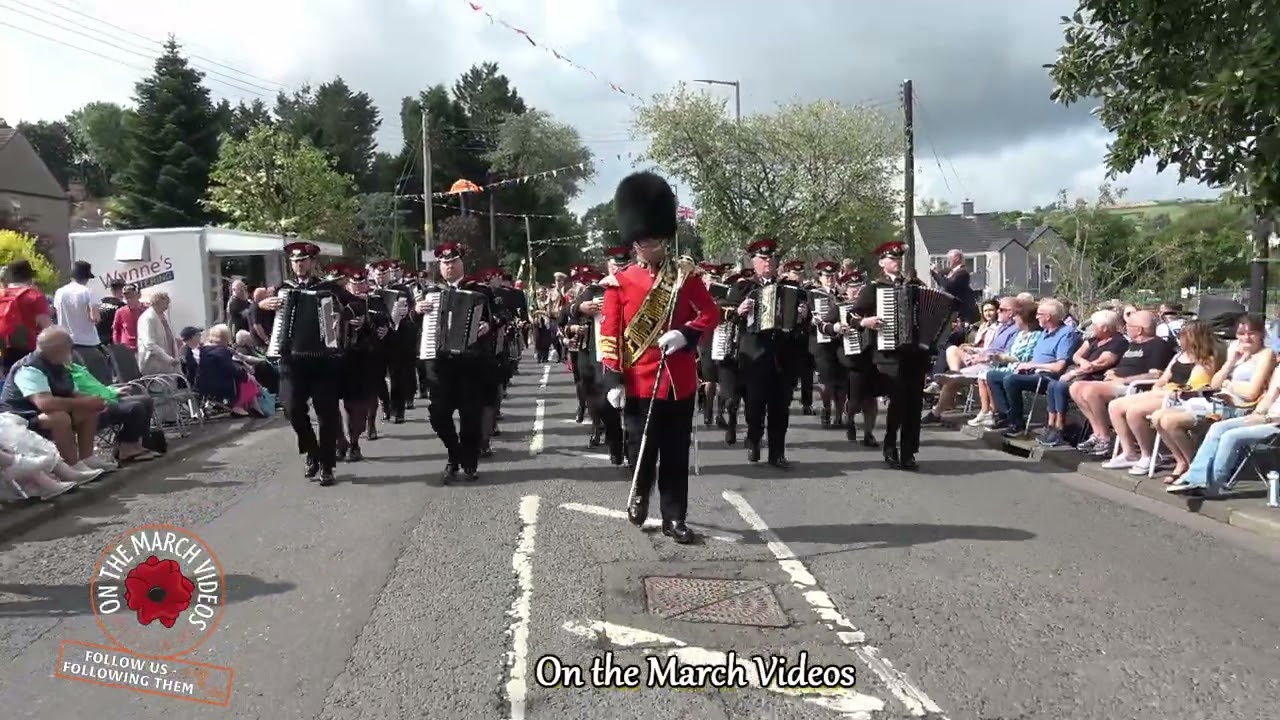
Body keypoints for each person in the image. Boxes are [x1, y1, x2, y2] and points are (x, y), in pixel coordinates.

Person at [598, 170, 719, 544]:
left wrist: (686, 334)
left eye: (652, 241)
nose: (646, 248)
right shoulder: (620, 283)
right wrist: (613, 379)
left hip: (678, 380)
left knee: (675, 453)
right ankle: (639, 492)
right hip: (638, 381)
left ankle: (674, 517)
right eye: (641, 242)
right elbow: (611, 335)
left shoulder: (685, 276)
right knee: (641, 448)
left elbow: (710, 313)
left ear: (664, 238)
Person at [256, 241, 356, 486]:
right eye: (295, 261)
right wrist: (260, 306)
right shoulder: (283, 289)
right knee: (292, 409)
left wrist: (341, 314)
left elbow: (356, 305)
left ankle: (327, 465)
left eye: (303, 261)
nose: (299, 265)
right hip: (291, 360)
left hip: (323, 361)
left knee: (327, 414)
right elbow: (256, 316)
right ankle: (313, 451)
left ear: (312, 262)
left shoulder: (328, 288)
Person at [0, 327, 153, 470]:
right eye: (69, 348)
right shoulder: (29, 368)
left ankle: (87, 458)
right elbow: (44, 402)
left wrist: (94, 400)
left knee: (88, 409)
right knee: (60, 418)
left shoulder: (58, 364)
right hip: (20, 417)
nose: (71, 352)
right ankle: (73, 465)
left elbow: (72, 392)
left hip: (43, 413)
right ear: (59, 350)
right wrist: (83, 402)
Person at [413, 242, 501, 483]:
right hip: (440, 364)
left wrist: (488, 325)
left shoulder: (480, 291)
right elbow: (413, 323)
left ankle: (469, 461)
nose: (449, 267)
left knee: (470, 417)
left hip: (472, 363)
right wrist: (416, 310)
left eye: (453, 262)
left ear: (462, 263)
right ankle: (455, 453)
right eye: (444, 263)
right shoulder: (431, 291)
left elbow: (501, 316)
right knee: (438, 414)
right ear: (439, 266)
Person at [848, 241, 932, 470]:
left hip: (915, 354)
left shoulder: (915, 285)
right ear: (882, 262)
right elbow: (852, 316)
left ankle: (909, 452)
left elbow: (928, 312)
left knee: (914, 404)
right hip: (889, 355)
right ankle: (890, 446)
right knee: (898, 402)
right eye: (892, 259)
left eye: (899, 258)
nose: (897, 262)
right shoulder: (875, 288)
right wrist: (865, 322)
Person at [731, 237, 809, 468]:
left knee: (780, 406)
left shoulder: (792, 288)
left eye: (771, 258)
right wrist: (739, 310)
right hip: (754, 355)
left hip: (783, 355)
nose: (768, 262)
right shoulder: (743, 288)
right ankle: (754, 439)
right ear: (753, 261)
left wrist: (803, 315)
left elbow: (804, 323)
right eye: (763, 258)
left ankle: (777, 452)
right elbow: (727, 316)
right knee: (754, 404)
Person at [0, 259, 53, 372]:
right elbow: (48, 329)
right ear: (30, 277)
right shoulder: (34, 296)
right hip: (29, 354)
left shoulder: (2, 295)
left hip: (5, 352)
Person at [136, 290, 180, 375]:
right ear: (158, 301)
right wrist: (167, 358)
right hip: (154, 363)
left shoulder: (164, 316)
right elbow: (149, 343)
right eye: (166, 301)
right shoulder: (148, 318)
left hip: (169, 363)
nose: (168, 304)